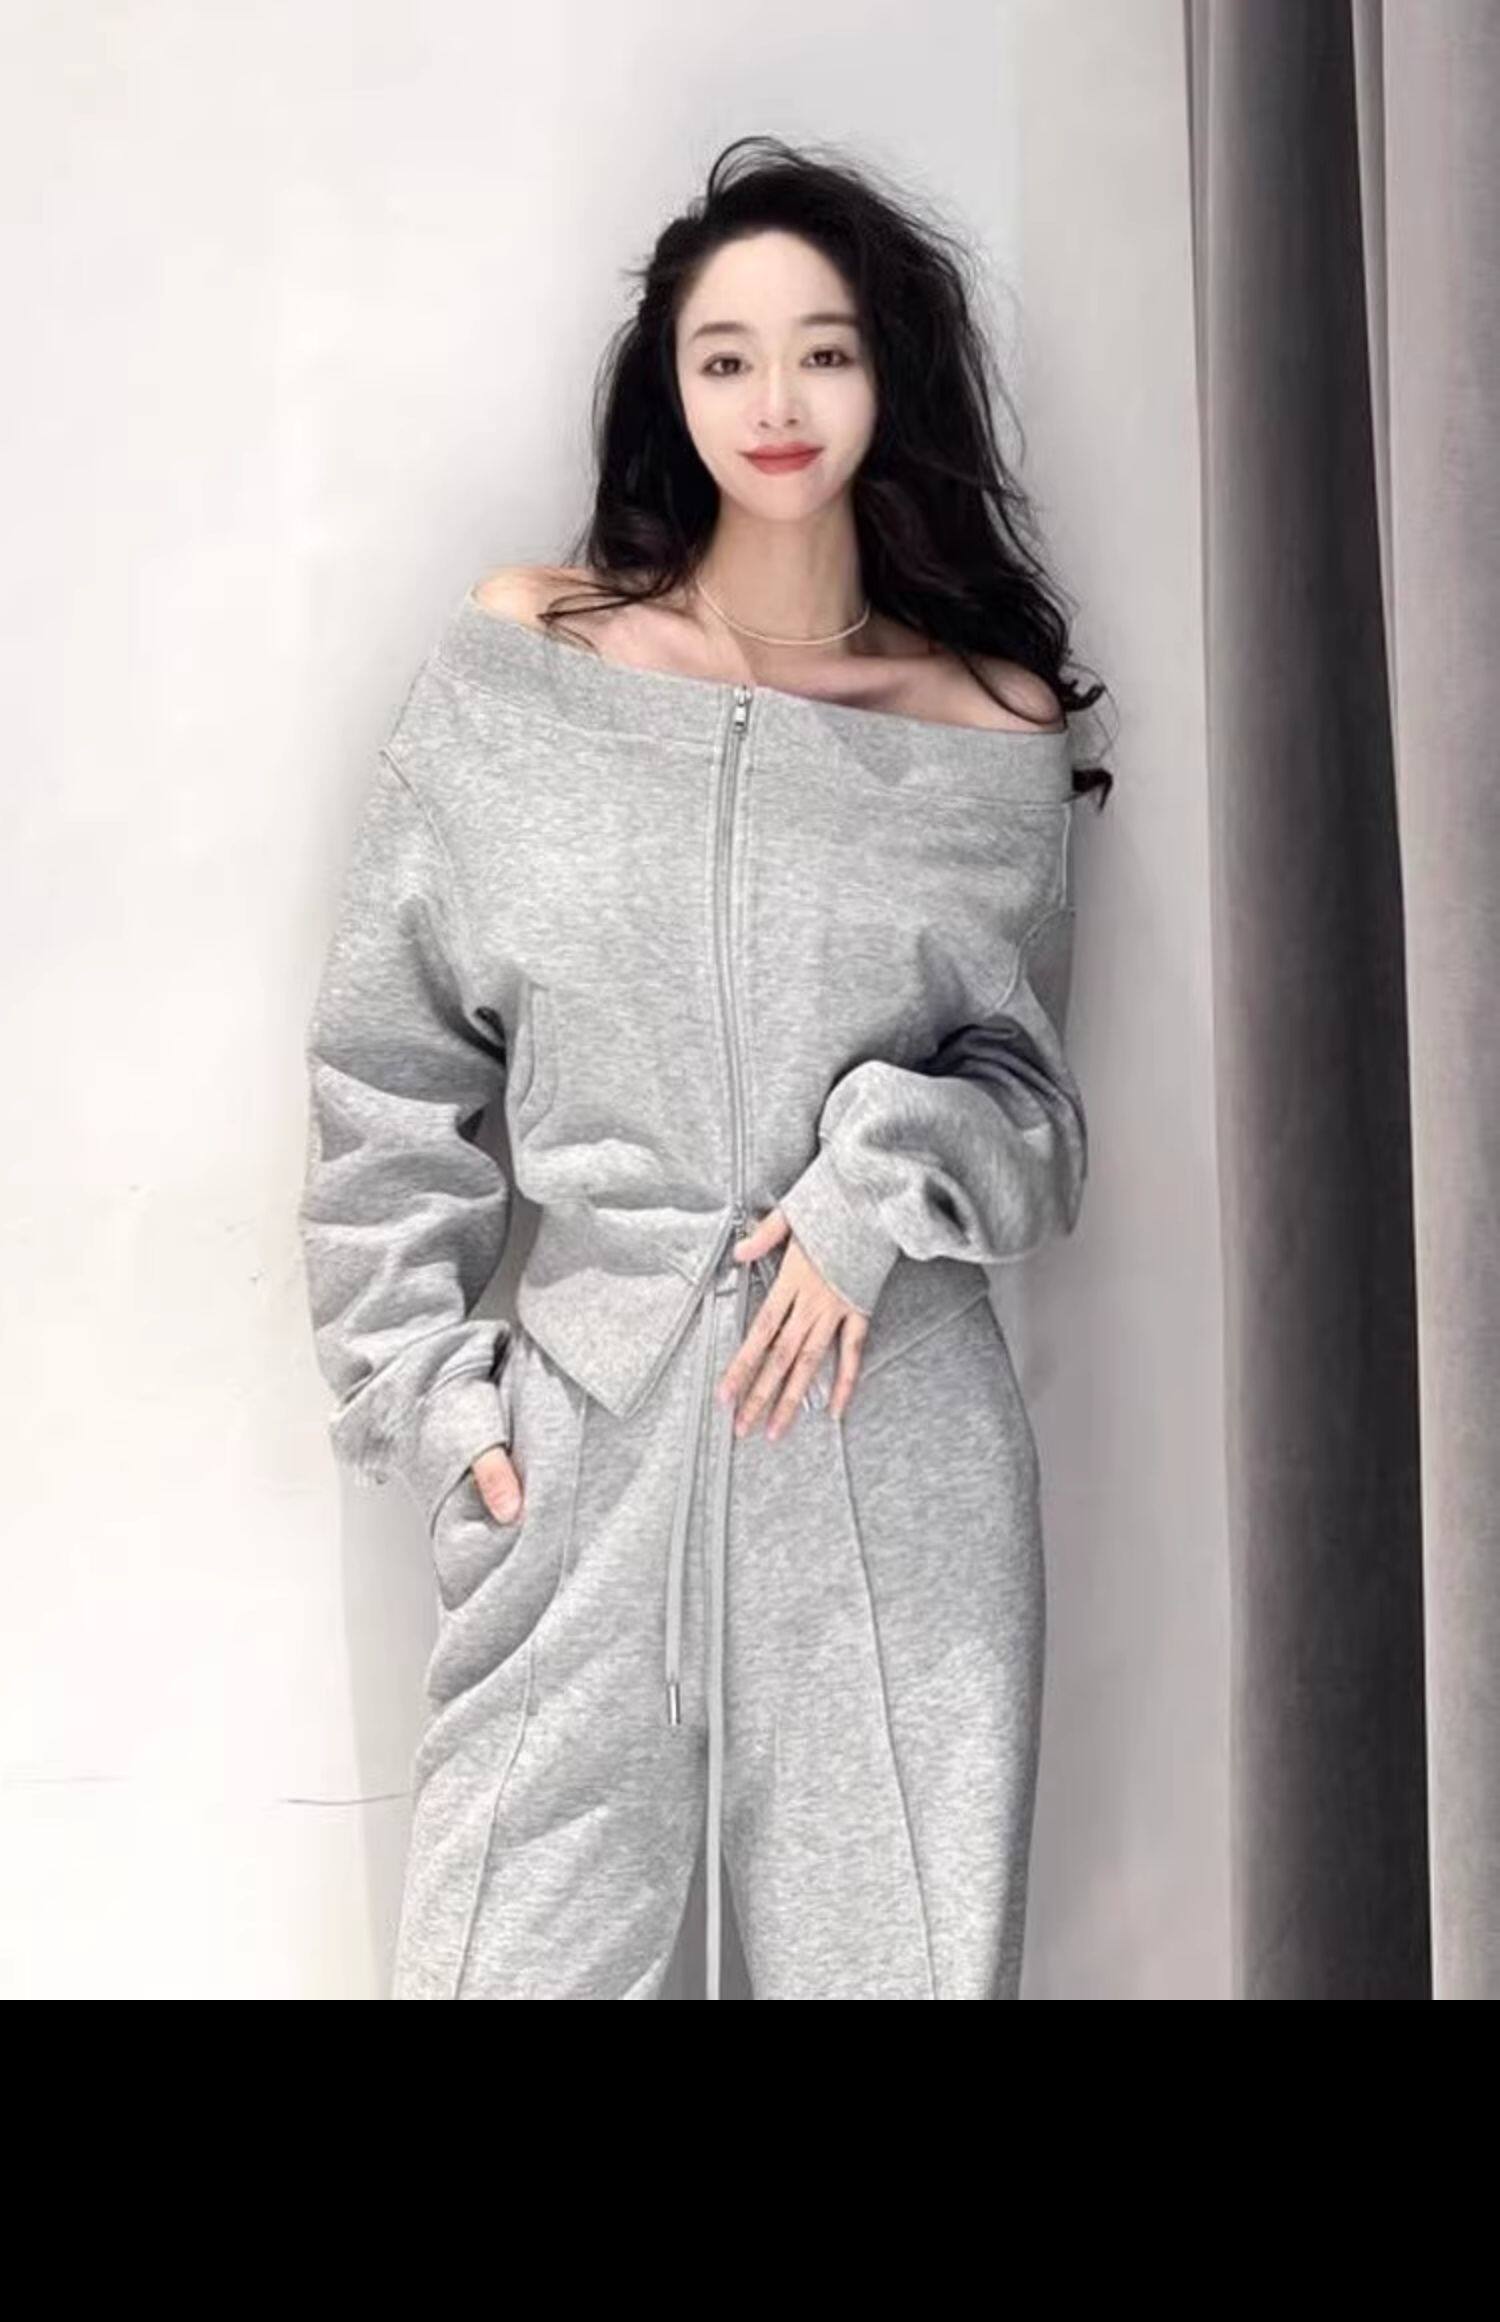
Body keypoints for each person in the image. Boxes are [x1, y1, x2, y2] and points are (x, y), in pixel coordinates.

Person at [298, 134, 1112, 2000]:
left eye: (824, 351)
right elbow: (385, 1074)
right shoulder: (534, 665)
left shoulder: (982, 726)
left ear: (888, 375)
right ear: (669, 384)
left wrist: (866, 1185)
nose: (776, 402)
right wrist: (439, 1406)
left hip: (893, 1451)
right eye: (725, 355)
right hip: (583, 1442)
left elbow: (1032, 1106)